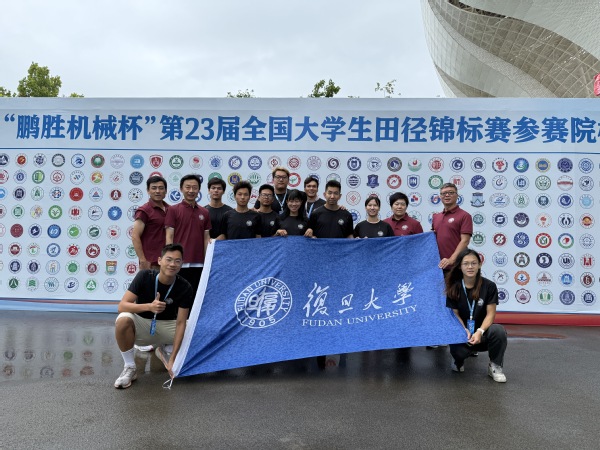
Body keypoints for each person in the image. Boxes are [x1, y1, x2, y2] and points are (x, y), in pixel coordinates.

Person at [113, 244, 194, 388]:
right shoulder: (145, 276)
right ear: (160, 260)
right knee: (123, 319)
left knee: (195, 329)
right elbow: (122, 306)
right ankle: (130, 367)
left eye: (177, 261)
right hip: (143, 324)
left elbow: (181, 322)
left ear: (182, 264)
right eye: (169, 259)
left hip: (168, 326)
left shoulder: (185, 286)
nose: (172, 264)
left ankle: (167, 351)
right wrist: (149, 307)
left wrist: (173, 360)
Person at [445, 248, 508, 382]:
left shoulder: (489, 286)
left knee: (498, 331)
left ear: (479, 265)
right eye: (466, 263)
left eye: (474, 263)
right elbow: (454, 315)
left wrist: (480, 331)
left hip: (482, 333)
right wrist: (463, 330)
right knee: (454, 337)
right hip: (464, 334)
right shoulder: (454, 287)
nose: (470, 267)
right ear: (460, 266)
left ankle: (495, 366)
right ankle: (458, 360)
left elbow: (491, 314)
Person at [164, 174, 211, 293]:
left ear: (199, 190)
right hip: (179, 262)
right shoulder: (173, 210)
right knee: (178, 294)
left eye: (194, 187)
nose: (191, 191)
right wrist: (171, 259)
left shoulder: (205, 212)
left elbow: (206, 238)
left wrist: (207, 260)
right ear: (181, 189)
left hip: (199, 262)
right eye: (188, 187)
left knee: (195, 295)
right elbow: (169, 236)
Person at [131, 175, 170, 270]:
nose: (157, 191)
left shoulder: (171, 210)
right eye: (154, 188)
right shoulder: (144, 211)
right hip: (151, 263)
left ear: (165, 191)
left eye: (161, 188)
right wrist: (143, 260)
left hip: (168, 262)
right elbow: (135, 236)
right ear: (148, 191)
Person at [432, 183, 473, 271]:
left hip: (457, 266)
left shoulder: (465, 216)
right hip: (439, 267)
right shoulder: (436, 217)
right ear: (440, 197)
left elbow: (465, 241)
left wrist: (451, 259)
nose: (447, 195)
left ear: (457, 196)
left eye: (450, 192)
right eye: (443, 193)